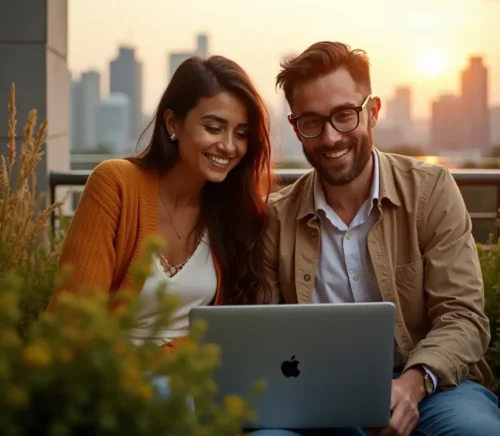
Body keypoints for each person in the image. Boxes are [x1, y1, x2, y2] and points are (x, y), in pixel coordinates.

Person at [253, 41, 500, 435]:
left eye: (344, 115)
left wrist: (410, 385)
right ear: (296, 128)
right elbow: (261, 335)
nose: (331, 137)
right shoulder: (275, 217)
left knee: (474, 431)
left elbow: (464, 316)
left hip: (431, 386)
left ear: (373, 112)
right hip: (312, 394)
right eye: (312, 122)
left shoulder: (432, 190)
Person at [47, 55, 274, 351]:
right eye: (214, 128)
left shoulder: (237, 211)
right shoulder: (115, 185)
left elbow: (235, 332)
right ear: (172, 123)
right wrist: (166, 361)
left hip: (199, 384)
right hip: (108, 383)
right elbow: (73, 323)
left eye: (241, 134)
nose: (229, 146)